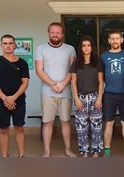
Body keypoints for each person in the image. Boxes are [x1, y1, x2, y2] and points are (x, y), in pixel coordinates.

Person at [35, 22, 77, 157]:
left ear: (62, 34)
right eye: (52, 32)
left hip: (65, 92)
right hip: (47, 93)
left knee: (65, 121)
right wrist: (53, 84)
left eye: (58, 32)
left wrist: (63, 84)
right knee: (47, 122)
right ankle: (47, 151)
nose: (55, 35)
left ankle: (68, 149)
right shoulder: (40, 49)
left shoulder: (70, 49)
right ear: (48, 33)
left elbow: (73, 70)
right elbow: (39, 70)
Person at [0, 34, 30, 157]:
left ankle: (21, 156)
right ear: (1, 45)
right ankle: (5, 158)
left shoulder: (23, 63)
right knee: (3, 130)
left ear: (15, 45)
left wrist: (13, 97)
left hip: (19, 100)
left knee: (19, 128)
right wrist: (5, 99)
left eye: (10, 43)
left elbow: (25, 83)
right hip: (2, 101)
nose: (8, 46)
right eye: (5, 43)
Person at [100, 29, 124, 157]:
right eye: (112, 38)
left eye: (117, 38)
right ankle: (107, 151)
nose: (115, 41)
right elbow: (100, 77)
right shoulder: (103, 56)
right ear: (109, 40)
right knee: (108, 123)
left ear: (121, 40)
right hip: (109, 93)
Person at [70, 36, 103, 157]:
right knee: (81, 128)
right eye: (84, 45)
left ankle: (95, 151)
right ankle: (84, 152)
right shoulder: (76, 63)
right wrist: (77, 99)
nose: (86, 48)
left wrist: (99, 98)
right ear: (81, 48)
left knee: (97, 127)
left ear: (92, 47)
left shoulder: (97, 62)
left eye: (88, 45)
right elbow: (73, 82)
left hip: (95, 97)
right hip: (81, 98)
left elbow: (100, 81)